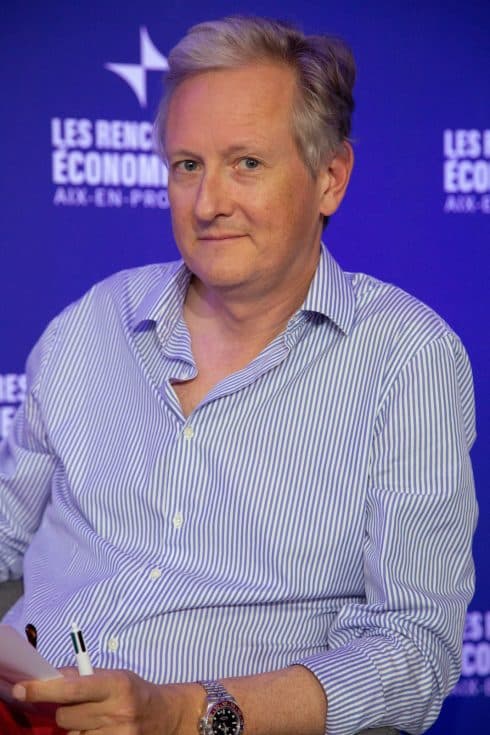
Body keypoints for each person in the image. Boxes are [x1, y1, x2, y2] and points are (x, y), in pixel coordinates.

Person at [0, 15, 477, 735]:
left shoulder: (407, 358)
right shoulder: (92, 323)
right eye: (187, 165)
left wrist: (186, 712)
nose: (208, 204)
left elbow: (413, 653)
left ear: (330, 178)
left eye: (246, 163)